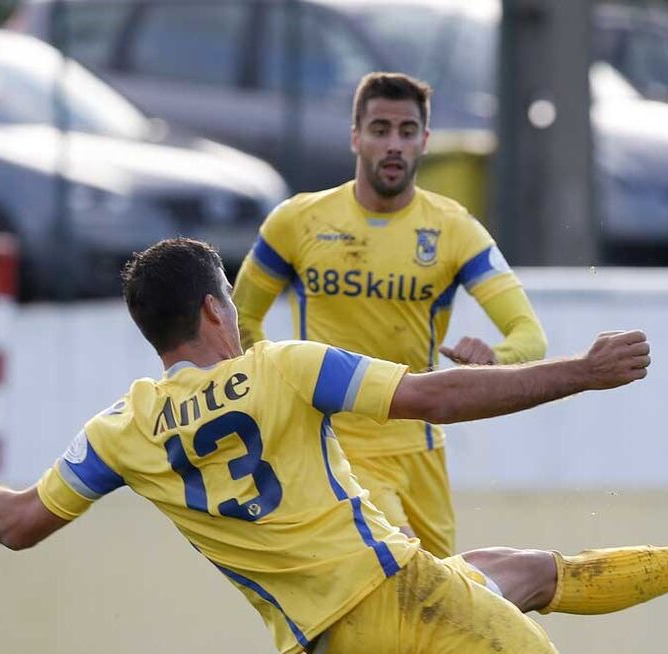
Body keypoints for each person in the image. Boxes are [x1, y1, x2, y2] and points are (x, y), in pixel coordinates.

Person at [0, 238, 668, 654]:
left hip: (338, 650)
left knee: (522, 572)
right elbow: (434, 396)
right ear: (213, 309)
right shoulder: (280, 367)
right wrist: (582, 373)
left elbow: (15, 522)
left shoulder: (121, 428)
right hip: (407, 600)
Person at [232, 71, 546, 559]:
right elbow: (240, 319)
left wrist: (495, 357)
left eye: (407, 131)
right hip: (336, 442)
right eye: (380, 130)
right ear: (356, 137)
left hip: (420, 445)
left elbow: (530, 336)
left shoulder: (454, 229)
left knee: (445, 591)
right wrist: (280, 388)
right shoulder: (297, 221)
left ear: (425, 140)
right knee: (400, 567)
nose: (394, 144)